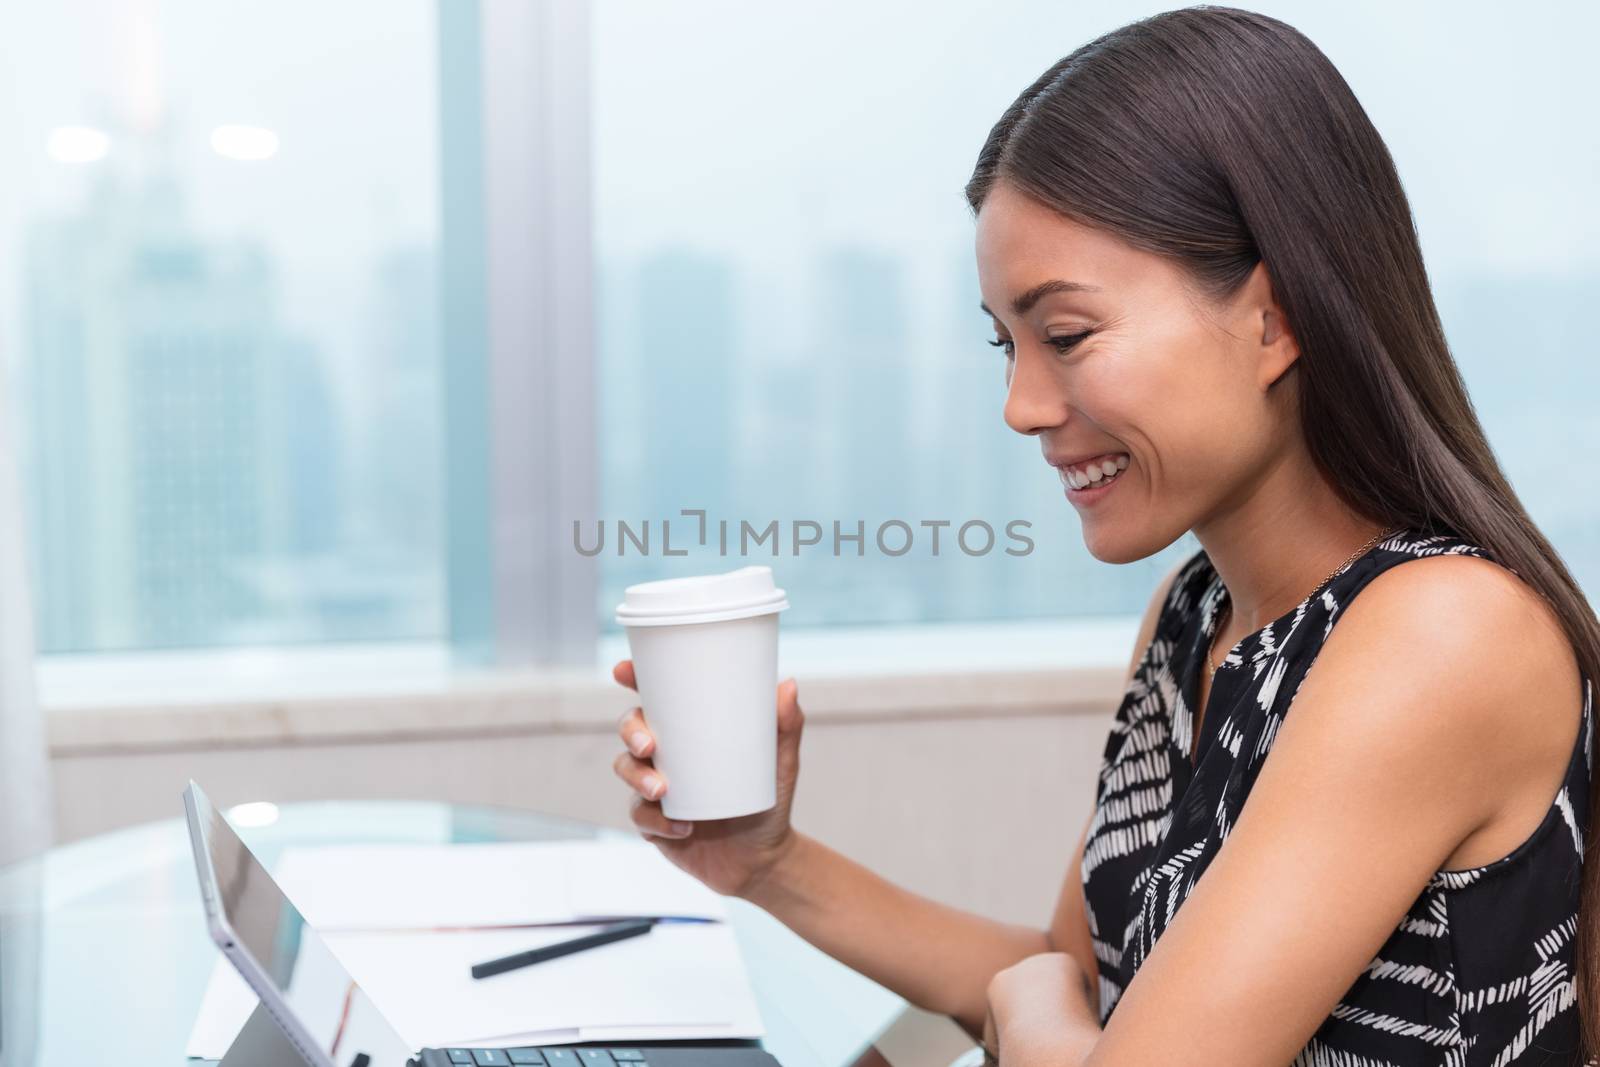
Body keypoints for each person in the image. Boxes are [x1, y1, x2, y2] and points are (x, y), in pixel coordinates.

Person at [612, 6, 1600, 1064]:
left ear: (1274, 320)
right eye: (1006, 344)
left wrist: (1033, 1009)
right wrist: (766, 862)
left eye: (1066, 335)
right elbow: (1084, 978)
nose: (1022, 404)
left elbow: (1072, 1014)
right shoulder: (1196, 613)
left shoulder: (1442, 635)